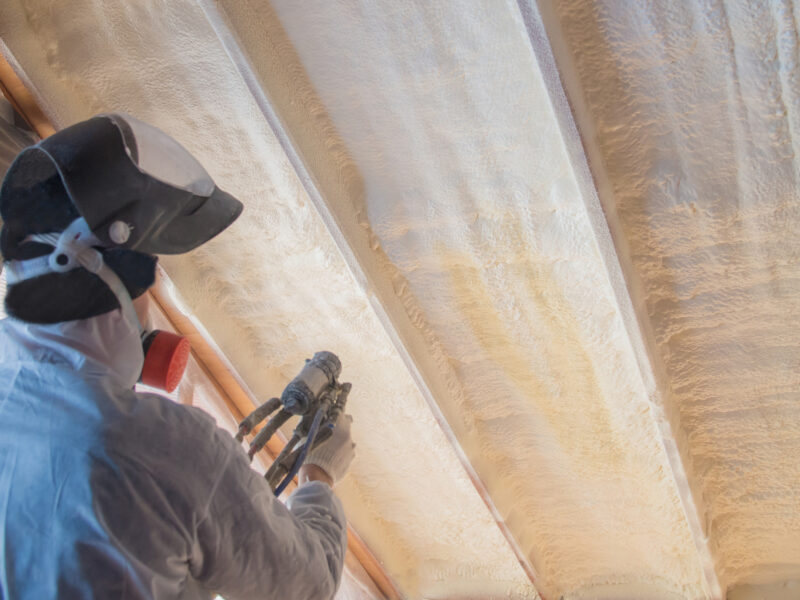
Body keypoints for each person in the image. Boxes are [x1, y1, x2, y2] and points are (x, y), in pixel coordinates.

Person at [0, 113, 356, 599]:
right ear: (110, 280)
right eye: (150, 276)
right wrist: (318, 477)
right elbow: (306, 583)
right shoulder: (166, 449)